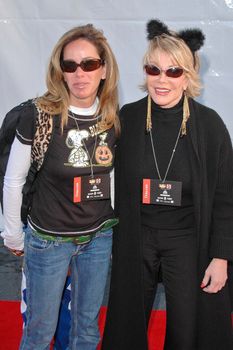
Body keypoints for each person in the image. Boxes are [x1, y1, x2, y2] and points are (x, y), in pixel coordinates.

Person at [102, 19, 233, 350]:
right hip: (136, 236)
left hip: (188, 239)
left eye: (173, 71)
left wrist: (221, 257)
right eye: (153, 69)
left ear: (188, 77)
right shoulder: (127, 120)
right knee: (126, 324)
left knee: (190, 330)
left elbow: (225, 196)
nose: (162, 80)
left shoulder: (210, 126)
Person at [1, 23, 119, 349]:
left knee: (87, 328)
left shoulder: (112, 117)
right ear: (61, 72)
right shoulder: (40, 115)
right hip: (48, 240)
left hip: (97, 239)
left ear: (104, 69)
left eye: (89, 64)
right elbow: (14, 180)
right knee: (40, 331)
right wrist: (12, 233)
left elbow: (113, 178)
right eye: (70, 65)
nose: (80, 73)